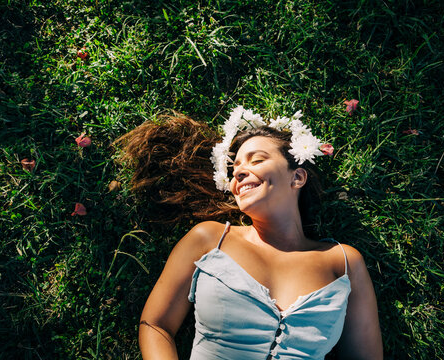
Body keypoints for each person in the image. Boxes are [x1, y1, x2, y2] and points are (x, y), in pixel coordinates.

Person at [118, 106, 383, 359]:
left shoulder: (343, 262)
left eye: (257, 160)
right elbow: (156, 324)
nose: (240, 172)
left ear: (297, 177)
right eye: (234, 170)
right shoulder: (210, 240)